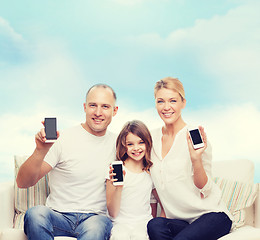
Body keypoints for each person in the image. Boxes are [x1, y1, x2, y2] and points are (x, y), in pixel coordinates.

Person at [16, 84, 118, 240]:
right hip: (58, 216)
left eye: (105, 106)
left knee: (97, 228)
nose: (98, 112)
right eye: (93, 105)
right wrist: (40, 150)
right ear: (85, 107)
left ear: (114, 111)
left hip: (95, 218)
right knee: (35, 214)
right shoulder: (63, 139)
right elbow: (23, 182)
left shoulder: (120, 145)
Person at [147, 77, 233, 240]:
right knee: (154, 225)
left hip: (212, 216)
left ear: (183, 103)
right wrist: (164, 211)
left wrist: (196, 159)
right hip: (181, 222)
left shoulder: (194, 137)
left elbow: (205, 189)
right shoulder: (151, 139)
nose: (166, 107)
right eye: (160, 101)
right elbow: (155, 186)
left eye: (173, 101)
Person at [106, 120, 164, 240]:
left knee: (140, 237)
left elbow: (157, 202)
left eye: (141, 142)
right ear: (124, 146)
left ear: (148, 143)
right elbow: (113, 213)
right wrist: (119, 188)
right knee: (119, 236)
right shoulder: (115, 170)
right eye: (130, 144)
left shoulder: (150, 172)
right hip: (119, 224)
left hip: (143, 224)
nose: (136, 148)